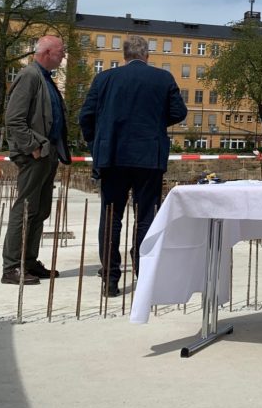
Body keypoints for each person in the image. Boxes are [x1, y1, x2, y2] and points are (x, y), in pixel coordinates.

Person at [79, 35, 187, 297]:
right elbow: (179, 112)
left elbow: (86, 116)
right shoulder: (163, 79)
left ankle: (110, 278)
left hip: (112, 156)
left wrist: (98, 143)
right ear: (146, 55)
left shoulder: (104, 79)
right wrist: (154, 122)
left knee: (112, 217)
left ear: (124, 56)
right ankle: (143, 272)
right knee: (145, 218)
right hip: (148, 157)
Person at [2, 35, 71, 285]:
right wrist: (32, 147)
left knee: (40, 210)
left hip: (47, 154)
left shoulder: (45, 79)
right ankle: (12, 267)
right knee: (25, 209)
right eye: (61, 51)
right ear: (48, 52)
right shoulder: (30, 76)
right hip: (35, 155)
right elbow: (15, 119)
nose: (63, 55)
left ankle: (29, 262)